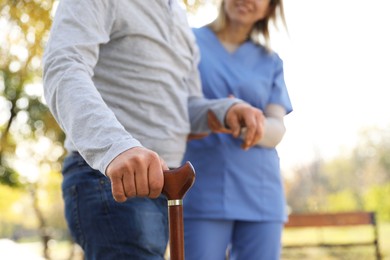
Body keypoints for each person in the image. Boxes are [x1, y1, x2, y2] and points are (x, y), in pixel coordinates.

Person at [42, 0, 265, 259]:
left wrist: (223, 110)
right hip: (110, 178)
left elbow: (185, 106)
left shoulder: (179, 14)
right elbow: (63, 66)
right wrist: (115, 147)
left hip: (165, 185)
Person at [181, 0, 293, 259]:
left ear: (270, 7)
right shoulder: (188, 41)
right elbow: (174, 107)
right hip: (200, 187)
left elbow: (277, 128)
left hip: (261, 191)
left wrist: (240, 121)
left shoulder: (271, 61)